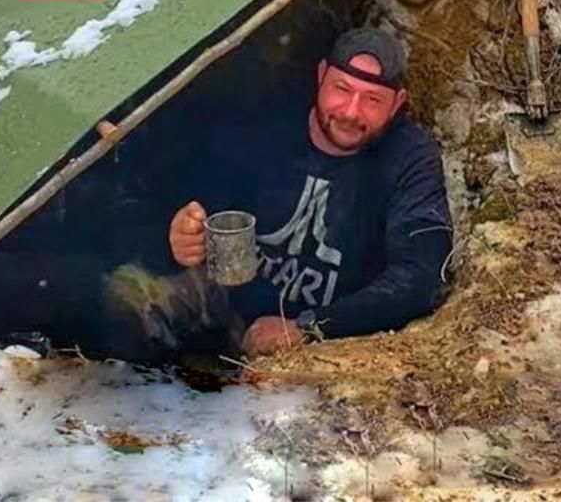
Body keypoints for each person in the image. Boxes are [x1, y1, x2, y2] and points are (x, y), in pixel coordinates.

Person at [157, 27, 452, 358]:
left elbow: (421, 277)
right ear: (321, 75)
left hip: (329, 336)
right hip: (227, 306)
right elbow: (178, 190)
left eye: (373, 100)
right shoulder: (268, 120)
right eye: (342, 89)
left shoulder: (410, 159)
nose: (351, 112)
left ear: (397, 104)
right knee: (131, 302)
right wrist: (180, 237)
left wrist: (308, 327)